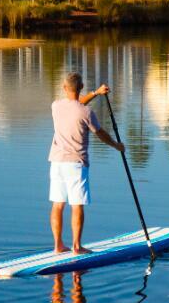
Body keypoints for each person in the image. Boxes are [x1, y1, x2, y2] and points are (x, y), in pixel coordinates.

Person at [48, 73, 124, 254]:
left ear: (64, 88)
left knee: (58, 204)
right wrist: (116, 145)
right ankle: (76, 246)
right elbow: (100, 133)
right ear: (81, 87)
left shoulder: (56, 106)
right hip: (76, 164)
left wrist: (96, 93)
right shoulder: (86, 112)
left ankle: (58, 245)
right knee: (77, 205)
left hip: (56, 162)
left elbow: (77, 103)